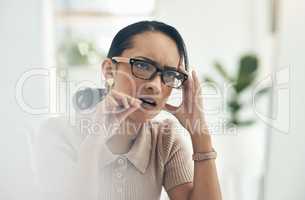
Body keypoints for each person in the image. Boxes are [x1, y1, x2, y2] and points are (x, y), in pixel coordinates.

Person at [35, 20, 222, 200]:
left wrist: (200, 133)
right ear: (109, 70)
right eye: (142, 65)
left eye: (170, 74)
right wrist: (93, 144)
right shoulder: (58, 132)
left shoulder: (165, 138)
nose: (156, 86)